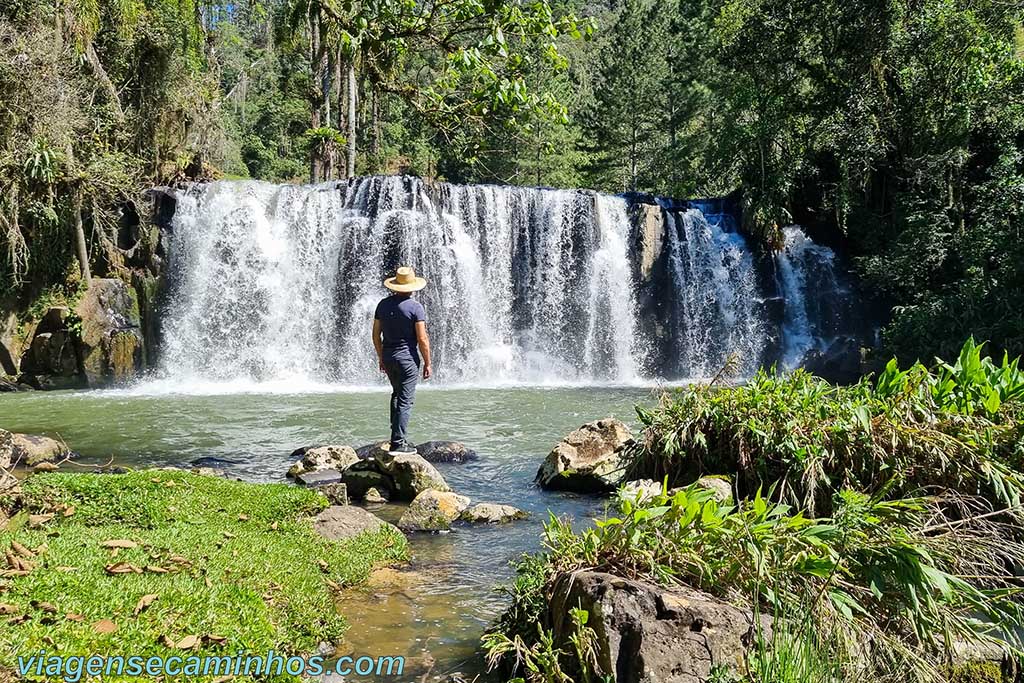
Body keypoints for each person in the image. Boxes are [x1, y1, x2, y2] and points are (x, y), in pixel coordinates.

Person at [373, 266, 432, 455]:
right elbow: (422, 338)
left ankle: (396, 437)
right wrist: (428, 363)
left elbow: (375, 335)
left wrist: (381, 356)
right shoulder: (415, 307)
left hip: (389, 357)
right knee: (405, 400)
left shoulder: (382, 305)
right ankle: (398, 443)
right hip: (407, 360)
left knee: (396, 395)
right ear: (412, 287)